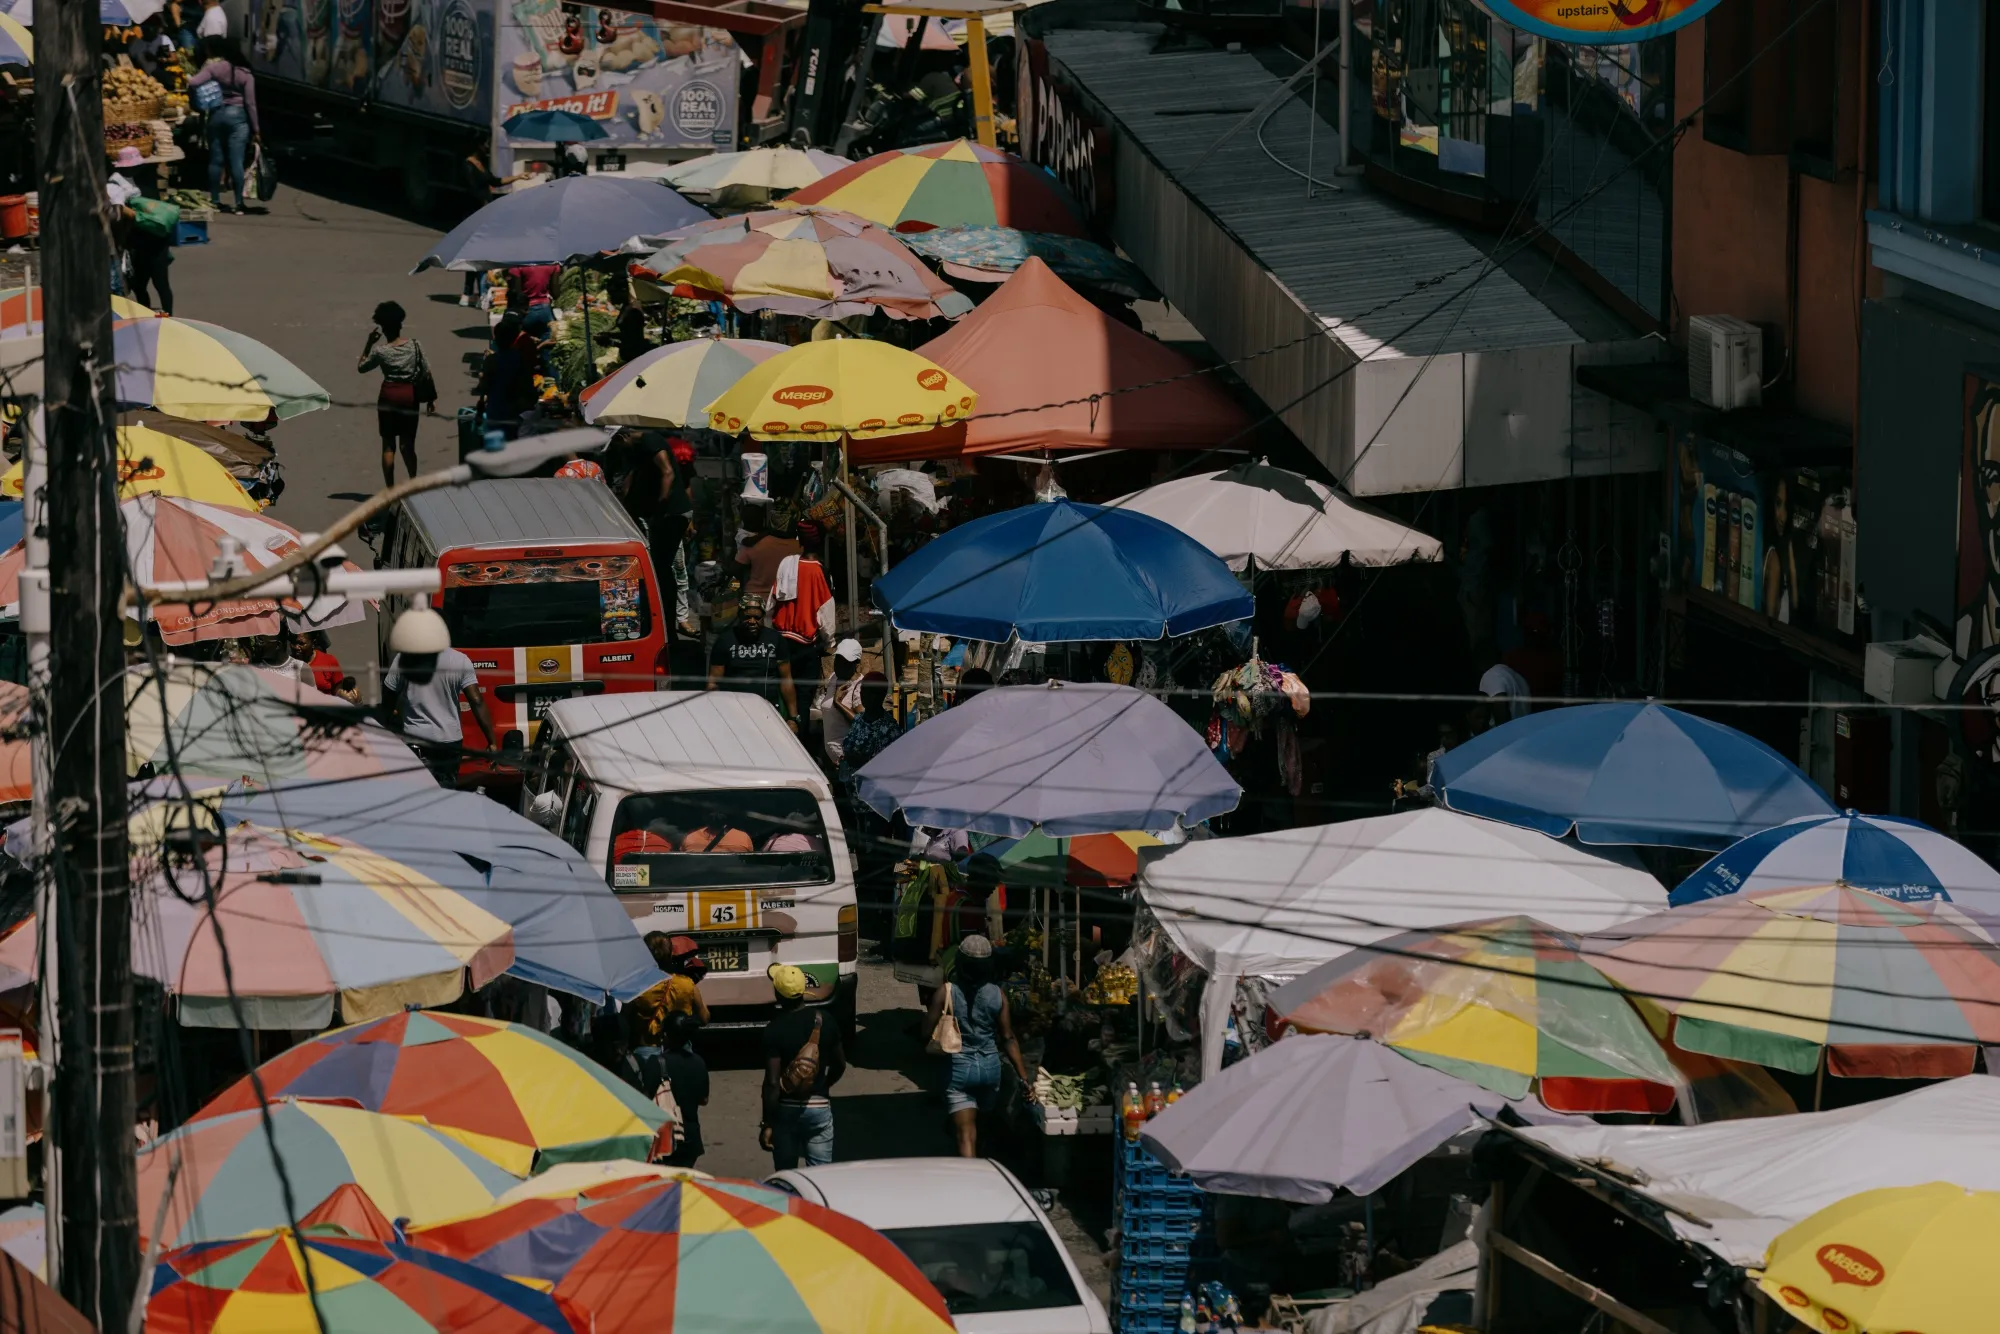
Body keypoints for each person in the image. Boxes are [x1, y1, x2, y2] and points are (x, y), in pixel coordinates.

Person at [921, 935, 1033, 1158]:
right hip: (991, 1069)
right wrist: (1024, 1078)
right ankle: (984, 1169)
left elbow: (925, 1032)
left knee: (965, 1135)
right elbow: (1008, 1038)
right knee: (982, 1129)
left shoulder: (947, 991)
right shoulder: (998, 994)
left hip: (959, 1070)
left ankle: (970, 1181)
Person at [760, 963, 843, 1169]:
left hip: (786, 1109)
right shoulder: (826, 1021)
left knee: (787, 1176)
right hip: (819, 1108)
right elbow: (840, 1064)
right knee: (821, 1176)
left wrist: (767, 1123)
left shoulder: (774, 1030)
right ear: (802, 992)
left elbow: (772, 1083)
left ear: (778, 994)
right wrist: (821, 1086)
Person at [383, 643, 493, 785]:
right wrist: (492, 742)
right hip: (449, 741)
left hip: (417, 741)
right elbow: (477, 701)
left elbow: (388, 697)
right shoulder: (460, 660)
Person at [359, 300, 435, 487]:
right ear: (400, 324)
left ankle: (390, 490)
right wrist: (431, 399)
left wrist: (369, 344)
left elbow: (362, 367)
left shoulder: (380, 351)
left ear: (383, 329)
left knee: (388, 445)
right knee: (407, 444)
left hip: (388, 395)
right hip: (409, 396)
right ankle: (412, 483)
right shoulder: (415, 346)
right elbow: (427, 372)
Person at [189, 37, 258, 214]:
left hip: (216, 114)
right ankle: (238, 203)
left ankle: (215, 200)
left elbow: (194, 82)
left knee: (216, 160)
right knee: (236, 161)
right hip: (238, 118)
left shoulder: (215, 68)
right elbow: (250, 104)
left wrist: (199, 99)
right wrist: (256, 129)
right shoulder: (246, 74)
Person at [706, 597, 797, 727]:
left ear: (763, 617)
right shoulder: (725, 641)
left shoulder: (775, 639)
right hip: (734, 711)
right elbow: (713, 682)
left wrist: (793, 718)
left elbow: (786, 679)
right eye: (747, 617)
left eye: (757, 618)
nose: (752, 622)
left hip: (768, 710)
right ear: (739, 616)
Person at [657, 1012, 709, 1169]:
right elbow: (704, 1099)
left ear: (666, 1035)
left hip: (664, 1137)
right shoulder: (698, 1062)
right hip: (690, 1137)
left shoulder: (656, 1064)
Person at [478, 311, 538, 442]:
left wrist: (479, 408)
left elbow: (483, 387)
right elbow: (527, 385)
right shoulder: (518, 359)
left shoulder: (491, 360)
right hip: (512, 411)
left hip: (494, 411)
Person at [733, 511, 801, 606]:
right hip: (785, 601)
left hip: (753, 599)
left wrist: (734, 591)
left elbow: (736, 571)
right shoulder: (800, 548)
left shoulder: (752, 543)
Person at [816, 638, 864, 771]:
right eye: (838, 660)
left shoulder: (859, 686)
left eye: (845, 662)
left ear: (856, 663)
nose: (839, 665)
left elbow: (862, 724)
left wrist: (838, 703)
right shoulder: (834, 678)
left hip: (847, 760)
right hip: (830, 756)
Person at [507, 262, 561, 339]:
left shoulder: (519, 264)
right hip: (545, 311)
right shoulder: (552, 263)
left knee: (526, 345)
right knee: (547, 342)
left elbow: (517, 294)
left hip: (527, 311)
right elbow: (555, 294)